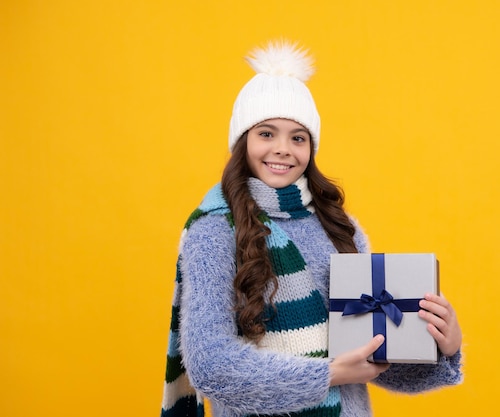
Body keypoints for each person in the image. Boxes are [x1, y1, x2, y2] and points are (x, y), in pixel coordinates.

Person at [161, 40, 463, 417]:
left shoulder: (339, 228)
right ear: (242, 142)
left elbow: (374, 360)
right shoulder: (215, 230)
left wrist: (442, 346)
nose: (284, 148)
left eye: (298, 137)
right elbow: (211, 365)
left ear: (311, 148)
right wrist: (330, 374)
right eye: (266, 133)